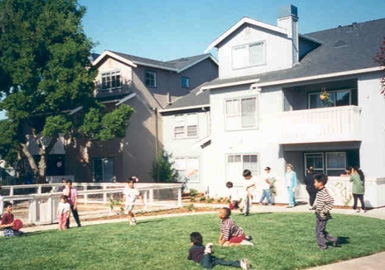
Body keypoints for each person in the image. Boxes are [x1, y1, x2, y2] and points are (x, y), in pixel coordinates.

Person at [314, 174, 338, 250]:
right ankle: (334, 240)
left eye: (315, 182)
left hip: (322, 215)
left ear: (320, 183)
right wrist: (315, 207)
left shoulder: (323, 192)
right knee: (321, 231)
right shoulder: (320, 191)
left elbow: (330, 201)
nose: (314, 184)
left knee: (319, 232)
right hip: (319, 214)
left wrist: (324, 211)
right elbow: (321, 201)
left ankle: (323, 246)